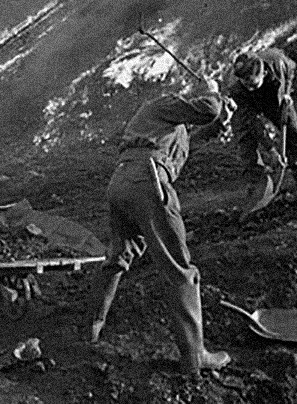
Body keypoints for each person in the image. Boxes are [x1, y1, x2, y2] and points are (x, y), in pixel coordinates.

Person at [89, 79, 235, 375]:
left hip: (123, 184)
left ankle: (94, 326)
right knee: (180, 270)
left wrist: (220, 123)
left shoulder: (164, 125)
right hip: (148, 184)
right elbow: (206, 109)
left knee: (120, 254)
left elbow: (195, 132)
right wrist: (214, 93)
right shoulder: (162, 102)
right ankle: (195, 358)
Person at [228, 48, 297, 218]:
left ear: (264, 72)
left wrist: (287, 92)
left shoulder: (278, 62)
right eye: (245, 83)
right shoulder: (237, 89)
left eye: (252, 84)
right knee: (246, 141)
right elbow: (253, 122)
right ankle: (257, 186)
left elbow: (291, 70)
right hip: (247, 107)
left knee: (294, 136)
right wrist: (271, 149)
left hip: (274, 97)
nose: (249, 87)